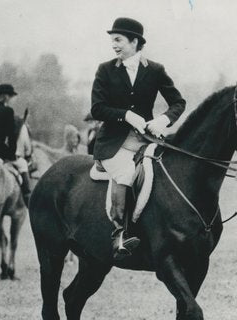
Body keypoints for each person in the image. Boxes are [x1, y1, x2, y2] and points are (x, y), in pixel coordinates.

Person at [91, 17, 186, 260]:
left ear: (135, 42)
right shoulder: (105, 69)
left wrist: (163, 120)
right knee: (124, 173)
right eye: (112, 40)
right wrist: (126, 116)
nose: (114, 45)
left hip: (146, 139)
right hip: (114, 142)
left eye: (118, 40)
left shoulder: (155, 70)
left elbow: (178, 102)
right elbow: (98, 108)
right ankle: (119, 234)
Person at [0, 84, 31, 207]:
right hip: (0, 152)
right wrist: (11, 155)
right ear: (6, 97)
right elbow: (11, 137)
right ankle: (28, 198)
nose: (11, 99)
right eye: (11, 96)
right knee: (22, 164)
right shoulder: (8, 111)